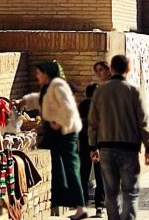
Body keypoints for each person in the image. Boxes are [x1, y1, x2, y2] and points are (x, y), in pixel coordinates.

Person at [18, 60, 87, 220]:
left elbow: (68, 107)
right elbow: (42, 99)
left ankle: (80, 206)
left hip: (65, 132)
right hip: (55, 131)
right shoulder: (49, 87)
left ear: (47, 73)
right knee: (55, 162)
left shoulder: (57, 85)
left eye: (39, 73)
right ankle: (61, 198)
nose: (37, 76)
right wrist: (24, 101)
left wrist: (59, 122)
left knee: (71, 167)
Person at [87, 53, 149, 220]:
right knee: (130, 193)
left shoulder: (100, 92)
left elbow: (92, 122)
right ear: (128, 69)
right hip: (129, 149)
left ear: (112, 69)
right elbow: (143, 122)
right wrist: (148, 148)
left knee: (111, 192)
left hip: (106, 148)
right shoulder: (134, 91)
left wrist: (93, 147)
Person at [79, 84, 106, 216]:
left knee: (83, 173)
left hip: (84, 142)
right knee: (100, 175)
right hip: (99, 143)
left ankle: (83, 202)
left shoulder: (82, 105)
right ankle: (99, 206)